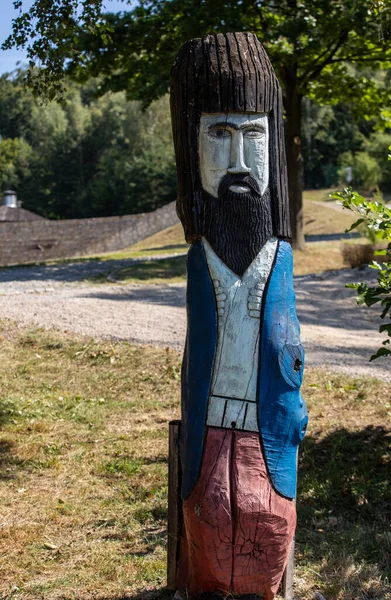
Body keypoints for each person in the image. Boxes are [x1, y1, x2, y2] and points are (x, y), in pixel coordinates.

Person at [170, 32, 308, 600]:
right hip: (209, 428)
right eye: (219, 136)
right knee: (208, 516)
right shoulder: (199, 257)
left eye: (254, 136)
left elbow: (285, 351)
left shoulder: (281, 257)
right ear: (190, 146)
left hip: (268, 434)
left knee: (268, 521)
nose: (239, 162)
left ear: (273, 142)